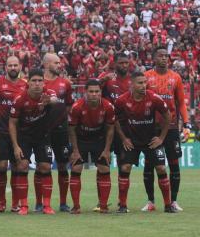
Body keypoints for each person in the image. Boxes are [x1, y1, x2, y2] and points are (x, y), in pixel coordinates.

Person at [114, 71, 176, 213]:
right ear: (132, 84)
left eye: (144, 82)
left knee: (161, 168)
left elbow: (168, 116)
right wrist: (123, 138)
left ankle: (168, 205)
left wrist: (161, 138)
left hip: (151, 140)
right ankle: (122, 206)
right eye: (140, 83)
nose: (143, 85)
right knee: (125, 168)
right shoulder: (122, 100)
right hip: (132, 141)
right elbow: (114, 118)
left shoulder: (154, 98)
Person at [143, 47, 189, 212]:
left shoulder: (175, 77)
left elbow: (181, 102)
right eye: (160, 56)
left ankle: (174, 201)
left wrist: (187, 122)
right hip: (151, 128)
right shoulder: (147, 77)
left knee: (174, 164)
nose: (164, 58)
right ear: (154, 58)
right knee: (150, 164)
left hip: (171, 128)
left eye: (166, 56)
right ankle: (151, 201)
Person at [9, 68, 58, 215]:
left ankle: (47, 206)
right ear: (28, 82)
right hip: (24, 137)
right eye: (34, 81)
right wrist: (16, 146)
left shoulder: (48, 94)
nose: (37, 84)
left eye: (40, 81)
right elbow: (12, 123)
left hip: (43, 136)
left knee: (45, 167)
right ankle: (24, 206)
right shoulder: (20, 99)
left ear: (44, 82)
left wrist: (49, 101)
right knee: (22, 166)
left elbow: (55, 100)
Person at [33, 53, 73, 212]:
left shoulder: (66, 84)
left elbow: (69, 106)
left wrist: (63, 120)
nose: (60, 65)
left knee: (63, 166)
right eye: (56, 63)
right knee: (42, 166)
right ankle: (38, 202)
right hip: (42, 131)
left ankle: (63, 203)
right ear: (46, 64)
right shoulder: (37, 83)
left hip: (61, 131)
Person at [68, 79, 115, 214]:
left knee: (104, 167)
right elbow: (71, 129)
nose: (94, 94)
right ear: (85, 92)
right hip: (81, 140)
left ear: (100, 92)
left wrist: (106, 150)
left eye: (96, 91)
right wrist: (75, 151)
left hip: (98, 139)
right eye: (91, 91)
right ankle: (76, 206)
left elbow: (110, 129)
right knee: (76, 167)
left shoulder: (108, 106)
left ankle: (104, 206)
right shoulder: (77, 107)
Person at [0, 56, 27, 213]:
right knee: (2, 166)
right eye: (10, 65)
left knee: (17, 166)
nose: (13, 68)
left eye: (15, 65)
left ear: (20, 67)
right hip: (1, 132)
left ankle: (15, 202)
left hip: (19, 133)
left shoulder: (25, 85)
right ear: (6, 67)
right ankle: (2, 201)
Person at [95, 52, 131, 211]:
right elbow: (92, 92)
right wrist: (101, 82)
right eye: (121, 63)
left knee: (124, 166)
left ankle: (122, 203)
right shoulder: (106, 77)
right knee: (103, 164)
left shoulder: (132, 81)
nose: (124, 65)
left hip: (125, 129)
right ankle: (102, 203)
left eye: (126, 63)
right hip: (106, 128)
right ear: (115, 63)